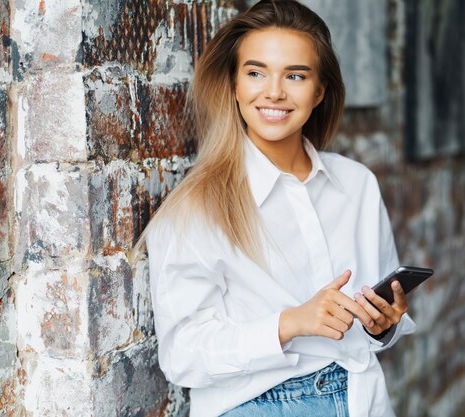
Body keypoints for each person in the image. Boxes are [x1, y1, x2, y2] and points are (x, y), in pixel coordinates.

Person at [136, 0, 417, 416]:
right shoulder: (196, 206)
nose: (274, 92)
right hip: (258, 405)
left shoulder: (357, 184)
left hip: (362, 399)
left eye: (296, 75)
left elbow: (379, 315)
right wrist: (292, 322)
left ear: (319, 91)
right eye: (255, 72)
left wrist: (383, 323)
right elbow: (183, 355)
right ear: (233, 84)